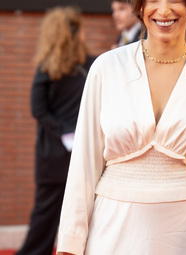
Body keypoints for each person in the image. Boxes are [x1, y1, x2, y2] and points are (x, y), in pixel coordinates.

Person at [57, 0, 186, 254]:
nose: (164, 10)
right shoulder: (106, 68)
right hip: (112, 228)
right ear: (140, 7)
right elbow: (83, 164)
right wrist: (70, 243)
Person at [16, 6, 95, 255]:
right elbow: (38, 109)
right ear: (73, 33)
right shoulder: (84, 66)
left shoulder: (84, 66)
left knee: (51, 214)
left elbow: (38, 109)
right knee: (55, 214)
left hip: (61, 153)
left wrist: (65, 132)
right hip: (69, 154)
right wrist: (68, 132)